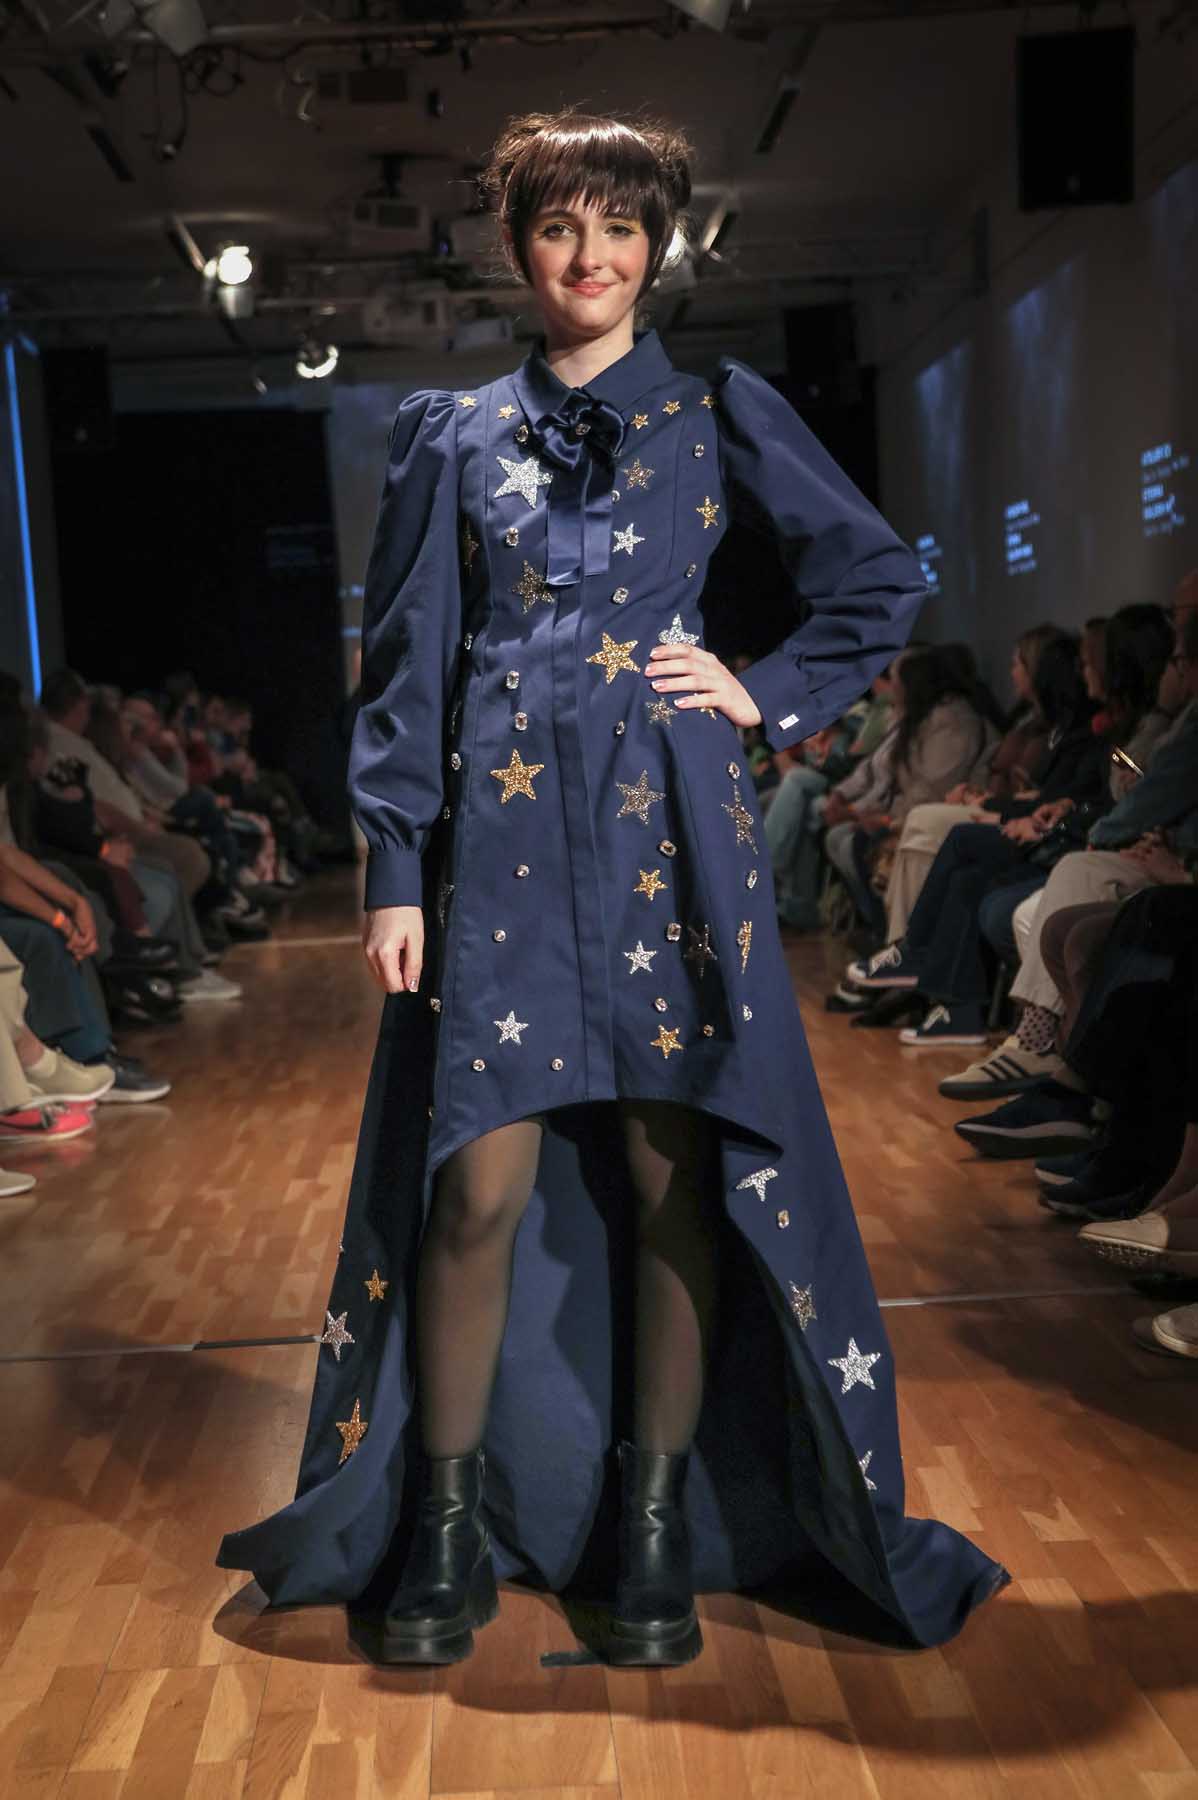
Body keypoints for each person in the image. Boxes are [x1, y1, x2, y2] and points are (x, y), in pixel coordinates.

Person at [218, 108, 1007, 1666]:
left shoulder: (717, 409)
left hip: (673, 836)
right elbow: (407, 673)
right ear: (518, 248)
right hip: (497, 854)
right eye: (560, 228)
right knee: (474, 1189)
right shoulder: (450, 436)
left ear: (659, 246)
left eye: (621, 227)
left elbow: (877, 577)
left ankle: (652, 1533)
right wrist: (391, 868)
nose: (591, 257)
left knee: (669, 1186)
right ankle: (445, 1529)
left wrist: (761, 692)